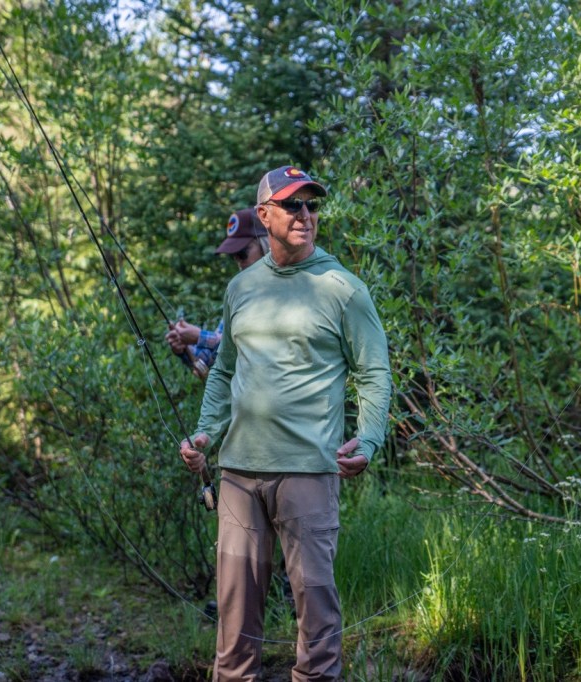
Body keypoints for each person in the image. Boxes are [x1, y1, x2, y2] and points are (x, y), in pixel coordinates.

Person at [179, 165, 391, 681]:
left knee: (316, 617)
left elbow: (374, 371)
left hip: (309, 473)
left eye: (313, 205)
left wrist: (368, 438)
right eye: (293, 205)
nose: (306, 215)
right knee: (233, 624)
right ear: (265, 215)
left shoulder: (343, 288)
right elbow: (225, 369)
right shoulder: (242, 287)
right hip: (237, 474)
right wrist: (206, 432)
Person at [165, 208, 269, 380]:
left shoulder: (283, 291)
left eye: (242, 253)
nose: (238, 261)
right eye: (233, 256)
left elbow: (254, 349)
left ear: (266, 245)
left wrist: (199, 337)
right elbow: (209, 360)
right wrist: (183, 348)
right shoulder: (239, 294)